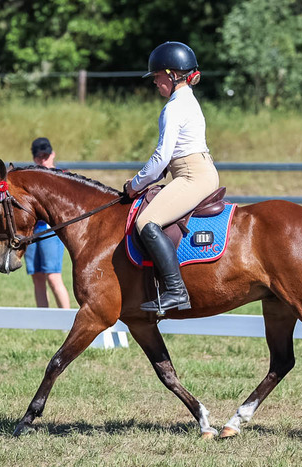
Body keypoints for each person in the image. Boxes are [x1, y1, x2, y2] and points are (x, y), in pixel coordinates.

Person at [123, 41, 220, 313]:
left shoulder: (174, 107)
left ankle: (176, 292)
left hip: (192, 176)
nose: (155, 82)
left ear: (171, 73)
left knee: (146, 221)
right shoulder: (187, 100)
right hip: (196, 170)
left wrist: (135, 184)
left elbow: (161, 158)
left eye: (156, 77)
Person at [24, 137, 71, 309]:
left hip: (51, 231)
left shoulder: (62, 177)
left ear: (53, 154)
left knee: (53, 276)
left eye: (46, 156)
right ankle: (42, 320)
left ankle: (66, 320)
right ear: (34, 158)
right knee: (37, 277)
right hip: (32, 231)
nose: (43, 160)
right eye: (39, 157)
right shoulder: (31, 178)